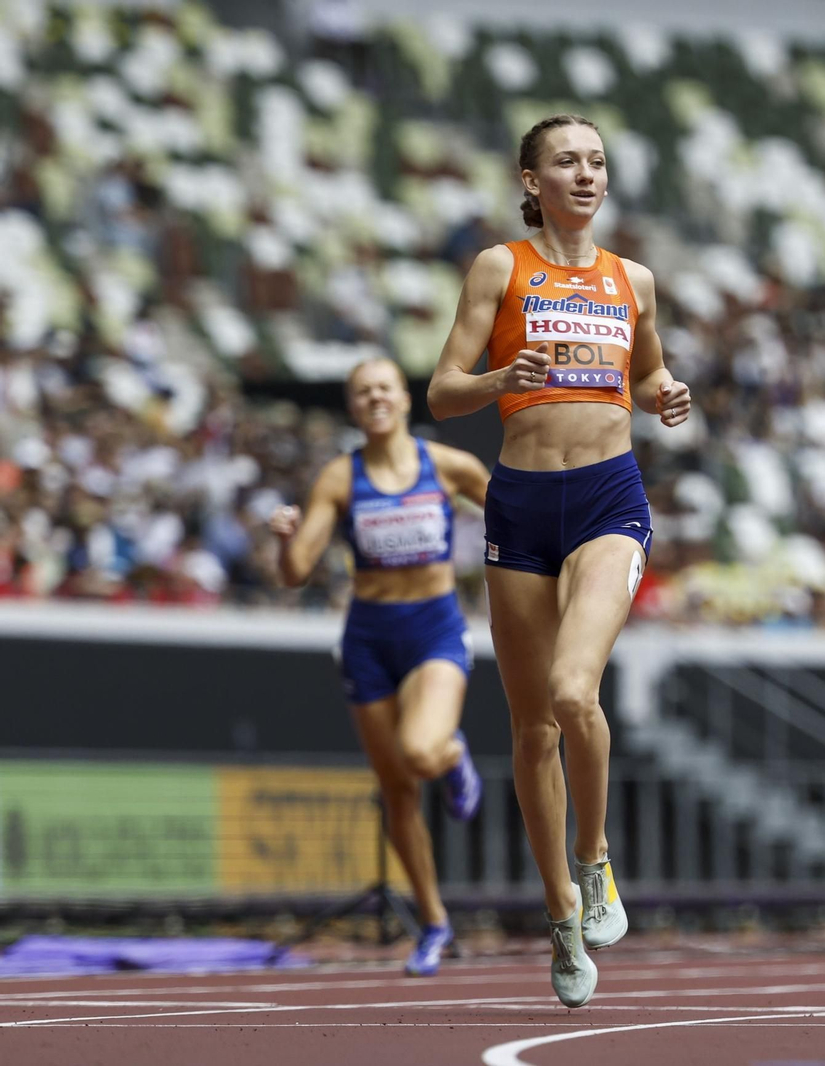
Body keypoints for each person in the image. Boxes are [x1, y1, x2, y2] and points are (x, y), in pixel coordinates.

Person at [427, 113, 691, 1008]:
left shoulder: (634, 281)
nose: (586, 173)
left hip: (610, 499)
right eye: (567, 161)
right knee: (533, 724)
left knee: (577, 693)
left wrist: (665, 393)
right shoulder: (501, 267)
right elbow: (443, 388)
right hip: (522, 505)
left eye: (597, 161)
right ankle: (561, 917)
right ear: (531, 179)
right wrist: (504, 381)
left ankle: (596, 857)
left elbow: (647, 373)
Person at [271, 356, 490, 977]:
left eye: (384, 388)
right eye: (362, 392)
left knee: (420, 753)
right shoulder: (339, 478)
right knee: (396, 790)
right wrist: (286, 536)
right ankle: (433, 922)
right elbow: (293, 574)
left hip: (434, 631)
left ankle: (453, 757)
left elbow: (514, 513)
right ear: (352, 407)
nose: (375, 399)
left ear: (405, 399)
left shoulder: (447, 466)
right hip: (368, 637)